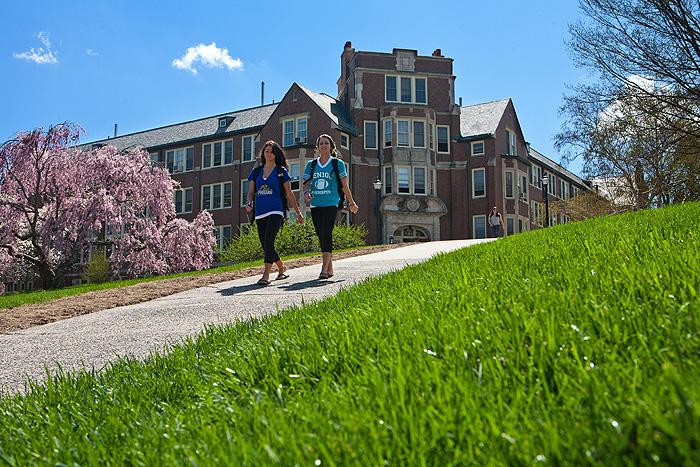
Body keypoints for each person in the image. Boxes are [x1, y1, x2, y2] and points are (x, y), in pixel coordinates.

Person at [245, 141, 303, 286]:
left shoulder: (281, 171)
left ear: (276, 153)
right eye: (266, 151)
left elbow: (289, 194)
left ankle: (265, 275)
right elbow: (251, 192)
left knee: (269, 240)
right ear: (263, 153)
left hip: (276, 210)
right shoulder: (256, 172)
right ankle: (282, 267)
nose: (269, 153)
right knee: (265, 244)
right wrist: (249, 203)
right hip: (260, 212)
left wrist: (298, 212)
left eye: (271, 151)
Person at [303, 134, 359, 279]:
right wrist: (306, 193)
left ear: (331, 146)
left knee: (327, 232)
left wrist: (351, 202)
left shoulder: (337, 163)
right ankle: (330, 268)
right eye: (321, 143)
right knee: (320, 235)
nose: (323, 145)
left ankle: (323, 268)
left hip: (331, 202)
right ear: (317, 147)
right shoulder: (311, 164)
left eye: (326, 143)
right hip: (316, 204)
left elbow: (345, 186)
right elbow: (306, 184)